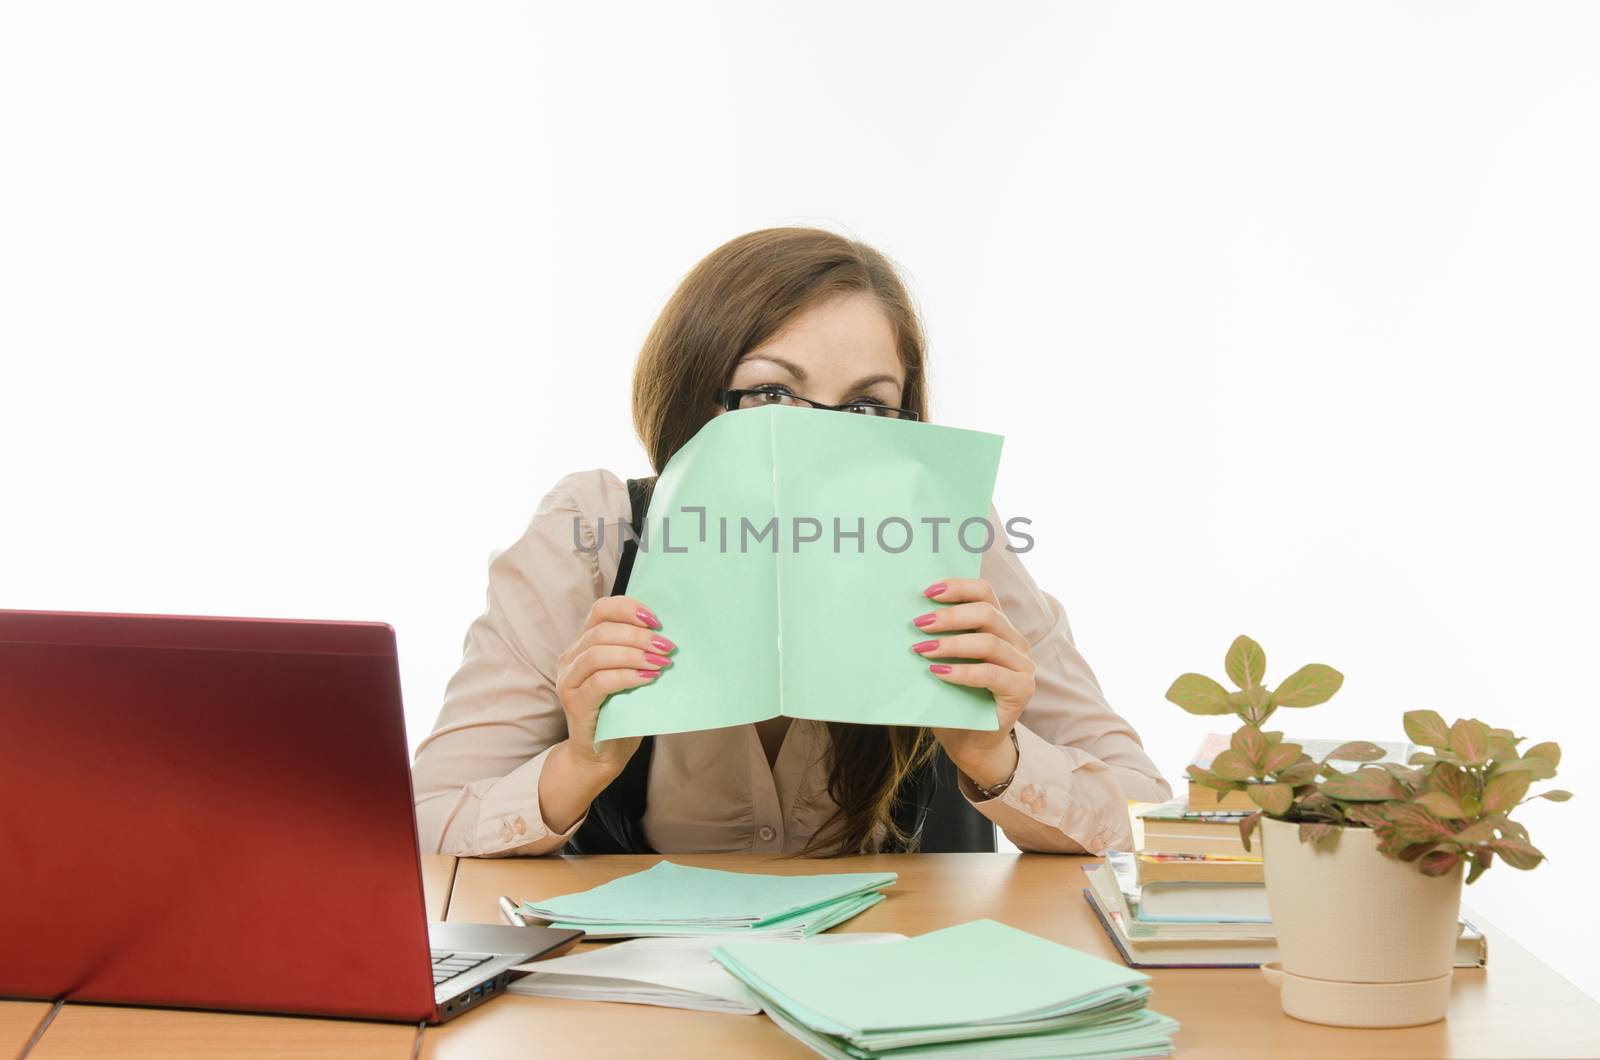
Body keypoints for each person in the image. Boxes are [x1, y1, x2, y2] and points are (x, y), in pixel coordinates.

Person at [411, 226, 1171, 859]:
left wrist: (995, 756)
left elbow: (1148, 823)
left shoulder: (950, 535)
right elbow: (423, 826)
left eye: (869, 407)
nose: (820, 443)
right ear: (689, 400)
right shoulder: (592, 535)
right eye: (772, 394)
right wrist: (580, 765)